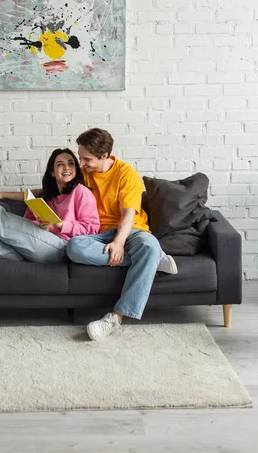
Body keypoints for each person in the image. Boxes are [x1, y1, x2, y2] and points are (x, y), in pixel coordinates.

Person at [65, 128, 178, 341]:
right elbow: (54, 190)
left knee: (148, 245)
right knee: (74, 247)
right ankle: (150, 260)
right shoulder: (84, 174)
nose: (81, 163)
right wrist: (9, 194)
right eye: (80, 157)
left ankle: (114, 318)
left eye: (86, 159)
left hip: (132, 230)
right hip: (97, 234)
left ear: (104, 156)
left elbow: (127, 214)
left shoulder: (126, 174)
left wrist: (119, 242)